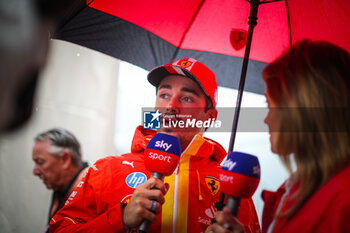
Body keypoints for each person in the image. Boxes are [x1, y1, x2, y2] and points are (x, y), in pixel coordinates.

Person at [49, 58, 261, 233]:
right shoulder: (106, 169)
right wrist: (119, 218)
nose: (171, 106)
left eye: (186, 98)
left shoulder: (231, 186)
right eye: (164, 95)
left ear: (209, 117)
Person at [207, 40, 350, 233]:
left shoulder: (343, 198)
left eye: (270, 105)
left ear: (302, 108)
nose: (266, 119)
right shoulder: (297, 187)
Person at [32, 128, 89, 233]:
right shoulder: (61, 186)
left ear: (65, 159)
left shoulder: (90, 193)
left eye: (40, 162)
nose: (35, 171)